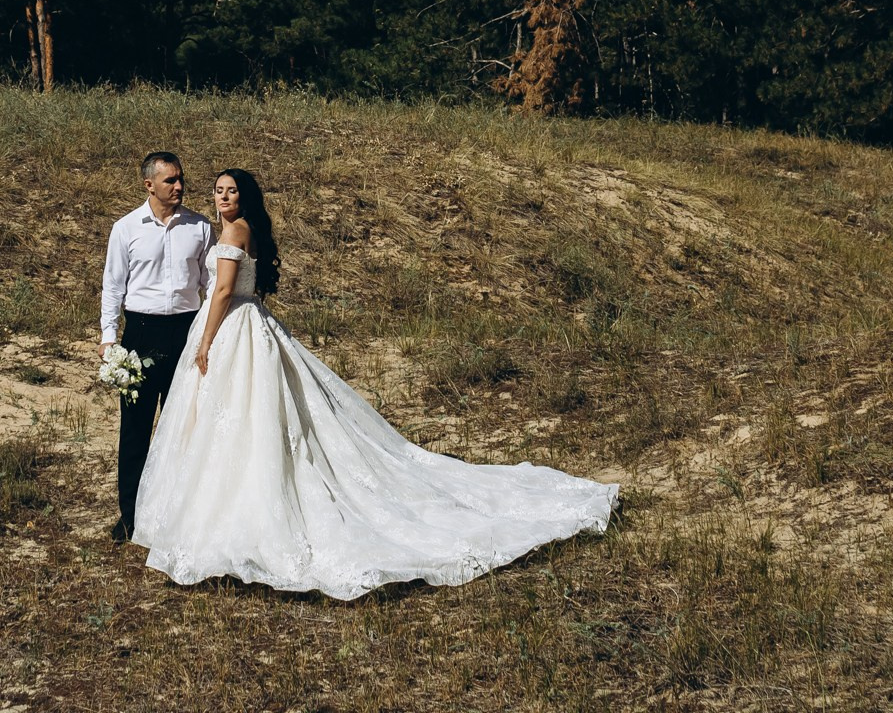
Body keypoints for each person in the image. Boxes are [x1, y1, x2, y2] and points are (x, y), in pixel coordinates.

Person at [131, 167, 619, 599]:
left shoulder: (235, 230)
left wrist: (204, 342)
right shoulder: (238, 227)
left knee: (238, 417)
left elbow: (220, 290)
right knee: (241, 419)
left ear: (245, 197)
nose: (222, 197)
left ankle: (229, 520)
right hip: (250, 320)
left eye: (231, 191)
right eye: (217, 190)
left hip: (232, 324)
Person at [98, 150, 214, 542]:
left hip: (186, 332)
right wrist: (109, 338)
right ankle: (130, 516)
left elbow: (210, 284)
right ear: (149, 184)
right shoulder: (126, 229)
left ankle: (177, 515)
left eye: (181, 179)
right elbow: (113, 286)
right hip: (141, 333)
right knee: (135, 428)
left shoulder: (199, 227)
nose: (179, 186)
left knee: (182, 425)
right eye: (170, 181)